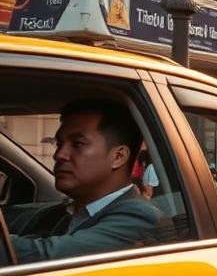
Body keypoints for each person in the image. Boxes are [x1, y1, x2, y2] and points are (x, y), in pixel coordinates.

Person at [9, 99, 164, 263]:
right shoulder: (64, 211)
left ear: (118, 157)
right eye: (59, 144)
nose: (59, 154)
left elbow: (50, 256)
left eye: (78, 144)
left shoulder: (139, 216)